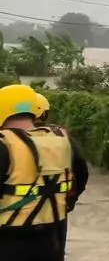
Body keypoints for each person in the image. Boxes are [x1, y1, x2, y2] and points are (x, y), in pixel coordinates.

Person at [0, 85, 88, 261]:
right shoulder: (63, 140)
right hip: (53, 237)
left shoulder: (4, 145)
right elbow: (81, 177)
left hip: (9, 241)